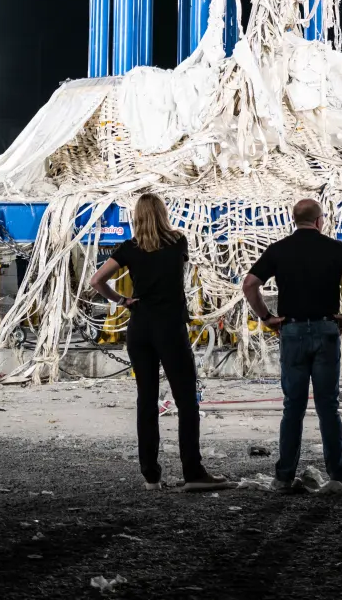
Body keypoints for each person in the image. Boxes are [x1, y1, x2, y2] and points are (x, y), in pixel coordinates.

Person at [87, 194, 231, 492]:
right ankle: (193, 471)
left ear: (137, 217)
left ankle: (151, 476)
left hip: (140, 328)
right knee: (186, 401)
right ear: (163, 214)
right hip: (170, 327)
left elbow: (97, 280)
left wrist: (122, 300)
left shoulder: (128, 248)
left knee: (146, 400)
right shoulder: (177, 241)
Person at [242, 199, 342, 492]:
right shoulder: (334, 248)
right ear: (319, 221)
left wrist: (267, 317)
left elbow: (250, 284)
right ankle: (338, 476)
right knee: (328, 407)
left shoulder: (279, 249)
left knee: (293, 408)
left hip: (291, 331)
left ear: (295, 221)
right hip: (327, 330)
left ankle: (284, 477)